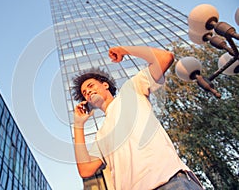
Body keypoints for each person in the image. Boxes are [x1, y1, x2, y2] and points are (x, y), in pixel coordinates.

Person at [72, 46, 204, 190]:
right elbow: (85, 170)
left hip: (170, 182)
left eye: (91, 86)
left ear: (105, 85)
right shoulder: (101, 135)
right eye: (85, 93)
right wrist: (78, 125)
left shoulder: (130, 90)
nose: (88, 91)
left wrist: (124, 50)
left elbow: (165, 58)